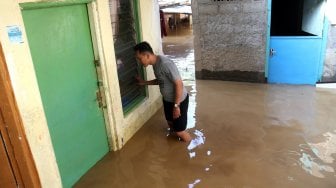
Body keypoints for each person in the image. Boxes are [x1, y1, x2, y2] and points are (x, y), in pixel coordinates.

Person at [133, 41, 191, 142]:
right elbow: (161, 80)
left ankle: (189, 149)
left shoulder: (165, 63)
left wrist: (176, 106)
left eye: (139, 58)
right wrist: (144, 83)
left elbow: (179, 84)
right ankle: (174, 150)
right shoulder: (155, 64)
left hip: (179, 101)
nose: (139, 61)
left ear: (147, 55)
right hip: (168, 100)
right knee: (170, 124)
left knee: (179, 131)